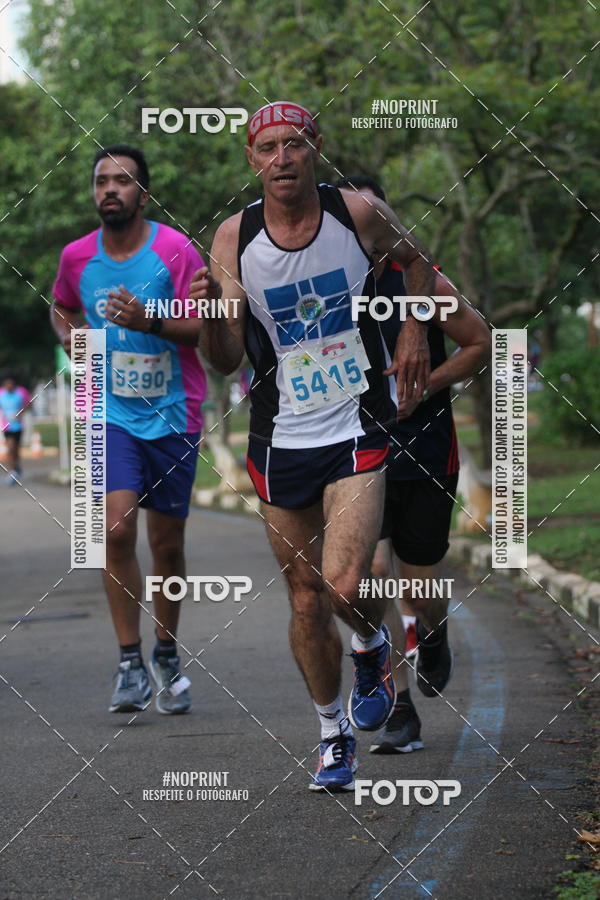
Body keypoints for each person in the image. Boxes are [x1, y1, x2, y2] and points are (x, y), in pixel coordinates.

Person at [190, 101, 437, 791]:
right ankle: (333, 736)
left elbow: (417, 261)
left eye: (294, 144)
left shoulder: (355, 213)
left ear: (315, 148)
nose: (282, 158)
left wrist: (415, 328)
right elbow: (225, 357)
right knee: (304, 600)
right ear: (252, 157)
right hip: (278, 436)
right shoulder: (234, 238)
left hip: (356, 425)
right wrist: (211, 313)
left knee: (344, 586)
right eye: (268, 147)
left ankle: (370, 640)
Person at [335, 175, 492, 754]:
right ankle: (398, 705)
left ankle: (433, 628)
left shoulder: (419, 282)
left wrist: (424, 386)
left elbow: (480, 341)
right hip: (355, 451)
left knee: (418, 583)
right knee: (369, 576)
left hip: (425, 449)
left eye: (369, 215)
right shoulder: (327, 287)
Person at [50, 144, 206, 715]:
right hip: (104, 410)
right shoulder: (75, 258)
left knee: (166, 545)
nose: (109, 190)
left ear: (143, 192)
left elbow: (207, 328)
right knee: (113, 532)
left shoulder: (176, 250)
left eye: (121, 181)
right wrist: (68, 336)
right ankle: (128, 662)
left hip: (172, 411)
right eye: (101, 181)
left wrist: (150, 322)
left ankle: (166, 650)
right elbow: (63, 305)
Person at [0, 374, 33, 485]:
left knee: (16, 449)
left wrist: (21, 413)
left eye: (11, 384)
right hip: (6, 426)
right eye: (7, 384)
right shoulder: (1, 393)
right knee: (10, 448)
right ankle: (12, 472)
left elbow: (29, 404)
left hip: (18, 426)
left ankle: (16, 466)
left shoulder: (21, 392)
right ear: (4, 385)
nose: (9, 386)